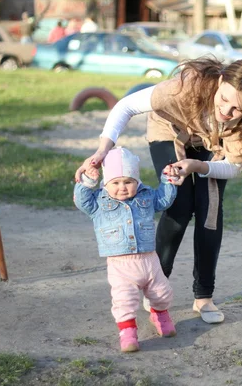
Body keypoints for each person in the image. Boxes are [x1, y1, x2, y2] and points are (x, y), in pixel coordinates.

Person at [74, 57, 242, 324]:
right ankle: (155, 288)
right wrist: (103, 149)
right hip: (169, 131)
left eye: (237, 109)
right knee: (179, 209)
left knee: (209, 212)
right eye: (223, 99)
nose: (226, 111)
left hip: (212, 147)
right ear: (220, 80)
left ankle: (204, 297)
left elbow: (233, 166)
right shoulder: (186, 87)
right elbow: (125, 106)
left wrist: (197, 165)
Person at [73, 147, 179, 352]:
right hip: (120, 265)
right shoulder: (99, 202)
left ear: (136, 182)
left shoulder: (146, 197)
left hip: (149, 260)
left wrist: (168, 180)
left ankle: (160, 314)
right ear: (106, 183)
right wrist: (88, 179)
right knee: (124, 300)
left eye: (128, 182)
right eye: (116, 182)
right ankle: (128, 333)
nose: (122, 187)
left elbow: (164, 200)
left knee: (162, 293)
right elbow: (81, 200)